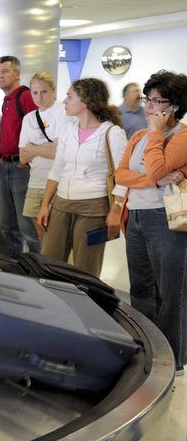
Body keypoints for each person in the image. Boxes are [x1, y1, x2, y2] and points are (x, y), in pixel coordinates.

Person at [115, 70, 187, 376]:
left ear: (175, 106)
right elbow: (121, 175)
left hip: (166, 218)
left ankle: (175, 357)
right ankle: (148, 345)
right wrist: (153, 180)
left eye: (159, 101)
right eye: (148, 99)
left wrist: (158, 131)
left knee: (172, 290)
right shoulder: (138, 136)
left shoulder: (181, 137)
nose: (151, 107)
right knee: (141, 287)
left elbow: (157, 167)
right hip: (138, 217)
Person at [37, 78, 128, 277]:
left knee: (87, 268)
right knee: (49, 262)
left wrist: (115, 211)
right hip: (61, 204)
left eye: (70, 97)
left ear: (85, 101)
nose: (65, 101)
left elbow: (122, 176)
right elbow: (58, 168)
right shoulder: (68, 129)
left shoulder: (112, 133)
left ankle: (86, 305)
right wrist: (45, 204)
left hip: (93, 208)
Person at [0, 55, 40, 258]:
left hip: (22, 168)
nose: (0, 76)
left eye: (5, 71)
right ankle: (14, 267)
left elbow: (39, 130)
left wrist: (27, 159)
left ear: (17, 73)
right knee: (7, 224)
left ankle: (38, 271)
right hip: (6, 166)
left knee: (27, 226)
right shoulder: (7, 100)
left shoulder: (26, 97)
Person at [19, 71, 72, 241]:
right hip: (36, 180)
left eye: (44, 92)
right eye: (35, 93)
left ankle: (63, 268)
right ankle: (47, 267)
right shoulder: (29, 118)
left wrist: (32, 148)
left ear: (53, 90)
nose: (39, 97)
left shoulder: (63, 113)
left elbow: (58, 152)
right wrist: (45, 147)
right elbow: (22, 157)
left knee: (60, 235)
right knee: (41, 234)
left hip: (59, 182)